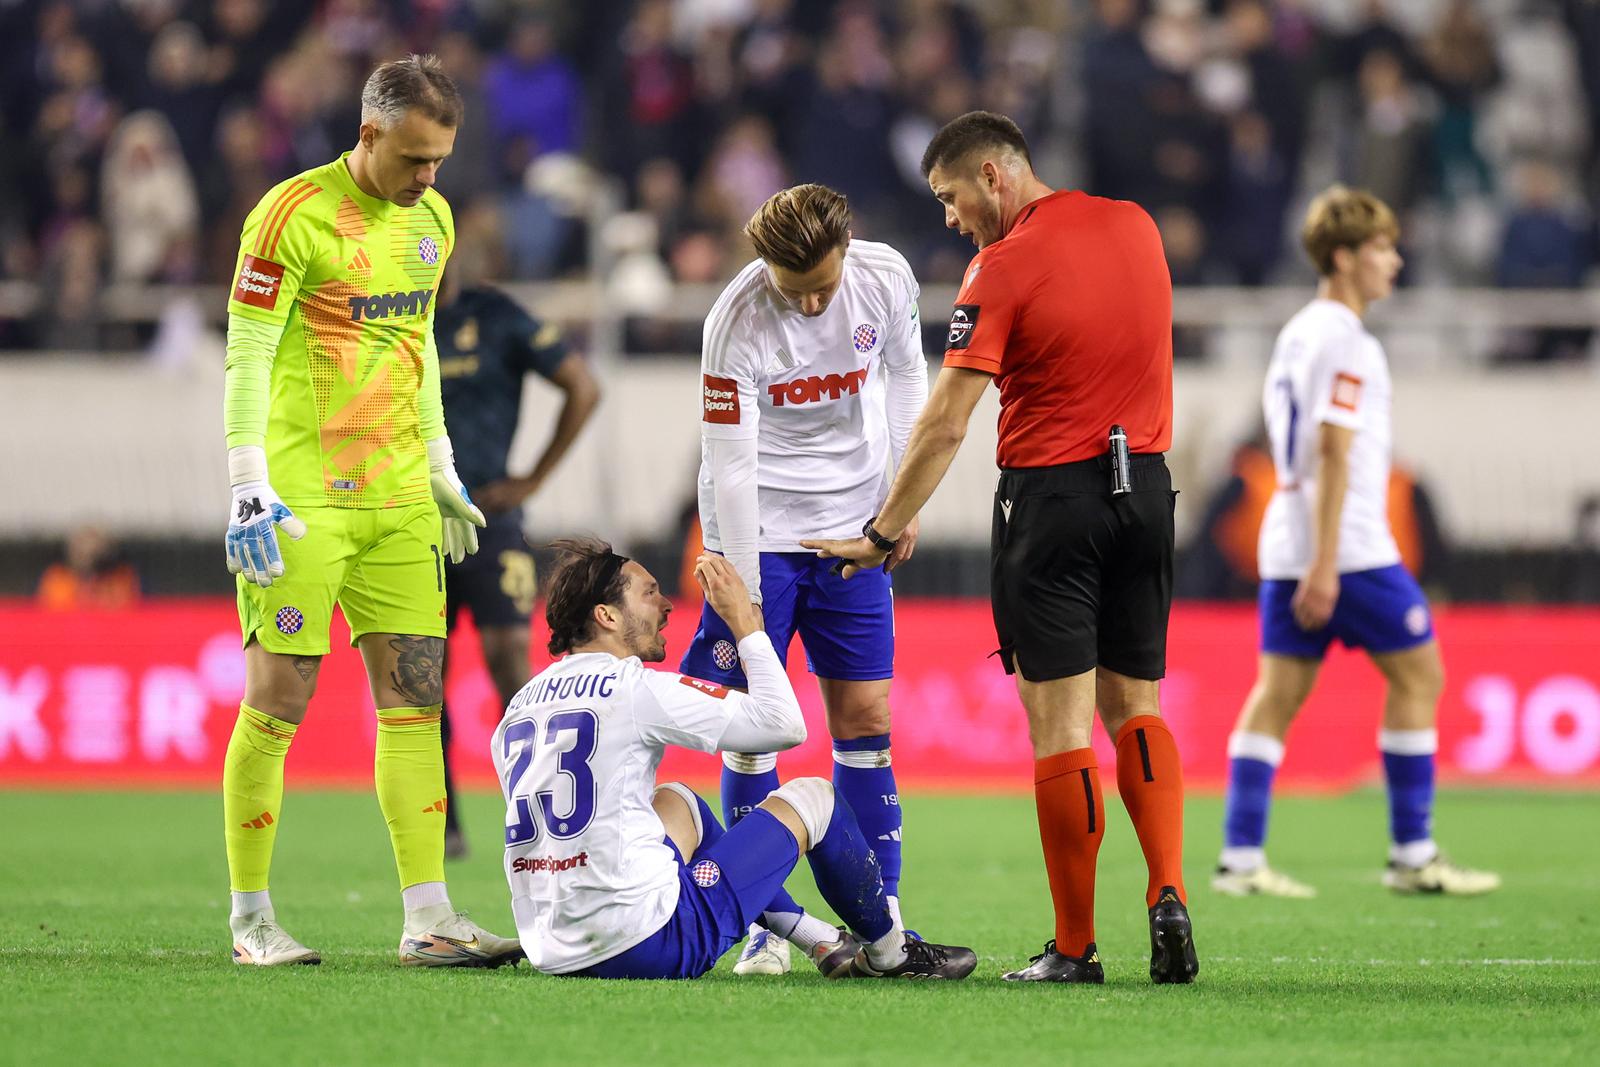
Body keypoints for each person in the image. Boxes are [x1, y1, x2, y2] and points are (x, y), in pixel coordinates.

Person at [806, 111, 1196, 985]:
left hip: (1053, 502)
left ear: (993, 175)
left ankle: (1073, 946)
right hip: (1150, 492)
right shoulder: (1138, 225)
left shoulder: (1004, 264)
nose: (949, 218)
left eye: (949, 197)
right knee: (1139, 705)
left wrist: (880, 529)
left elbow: (946, 421)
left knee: (1060, 729)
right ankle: (1168, 889)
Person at [219, 54, 518, 968]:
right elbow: (247, 352)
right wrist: (246, 481)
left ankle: (428, 915)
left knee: (416, 700)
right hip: (302, 500)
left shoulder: (433, 219)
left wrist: (440, 463)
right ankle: (251, 919)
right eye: (415, 158)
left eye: (441, 161)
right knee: (280, 699)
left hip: (396, 500)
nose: (429, 178)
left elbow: (413, 341)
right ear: (370, 132)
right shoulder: (290, 214)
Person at [494, 540, 976, 981]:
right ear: (608, 616)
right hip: (646, 945)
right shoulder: (635, 687)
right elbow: (784, 724)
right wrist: (745, 623)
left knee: (677, 801)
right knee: (815, 798)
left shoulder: (518, 707)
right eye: (649, 593)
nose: (666, 606)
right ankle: (891, 953)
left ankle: (819, 940)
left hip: (553, 951)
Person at [1212, 186, 1500, 899]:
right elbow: (1334, 450)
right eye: (1381, 248)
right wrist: (1326, 564)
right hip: (1348, 550)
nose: (1394, 262)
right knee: (1421, 674)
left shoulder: (1300, 330)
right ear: (1343, 257)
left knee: (1277, 693)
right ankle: (1413, 853)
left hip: (1293, 540)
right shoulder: (1346, 339)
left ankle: (1240, 860)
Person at [679, 183, 929, 975]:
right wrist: (744, 588)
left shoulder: (886, 277)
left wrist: (899, 504)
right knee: (755, 727)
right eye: (797, 290)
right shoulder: (735, 320)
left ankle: (880, 916)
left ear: (847, 248)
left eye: (823, 282)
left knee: (865, 716)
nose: (815, 301)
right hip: (760, 532)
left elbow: (910, 382)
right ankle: (764, 926)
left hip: (854, 528)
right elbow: (732, 463)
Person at [436, 265, 601, 859]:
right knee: (425, 676)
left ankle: (536, 812)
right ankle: (443, 821)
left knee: (510, 663)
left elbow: (583, 386)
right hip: (412, 522)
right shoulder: (393, 316)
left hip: (491, 518)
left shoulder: (499, 316)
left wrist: (532, 478)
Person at [36, 526, 140, 611]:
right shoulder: (58, 577)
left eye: (95, 551)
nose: (88, 553)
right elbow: (51, 608)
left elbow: (125, 607)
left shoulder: (119, 577)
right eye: (82, 551)